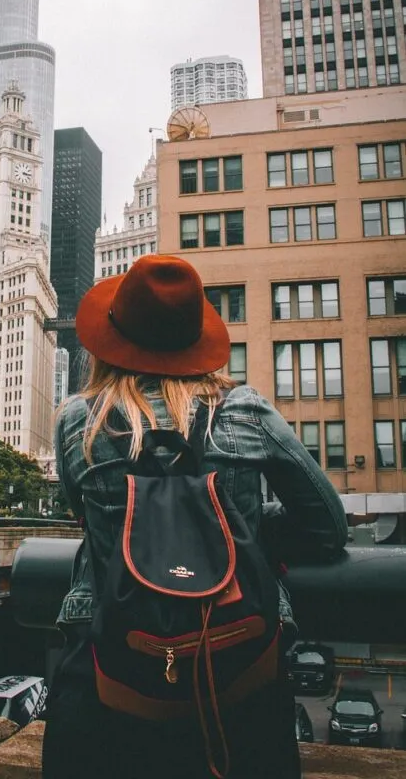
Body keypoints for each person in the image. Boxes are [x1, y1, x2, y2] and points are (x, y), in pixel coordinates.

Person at [43, 255, 347, 779]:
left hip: (107, 676)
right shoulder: (246, 411)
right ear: (193, 340)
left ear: (113, 341)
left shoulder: (78, 422)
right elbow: (326, 526)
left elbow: (89, 525)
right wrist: (240, 524)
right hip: (239, 679)